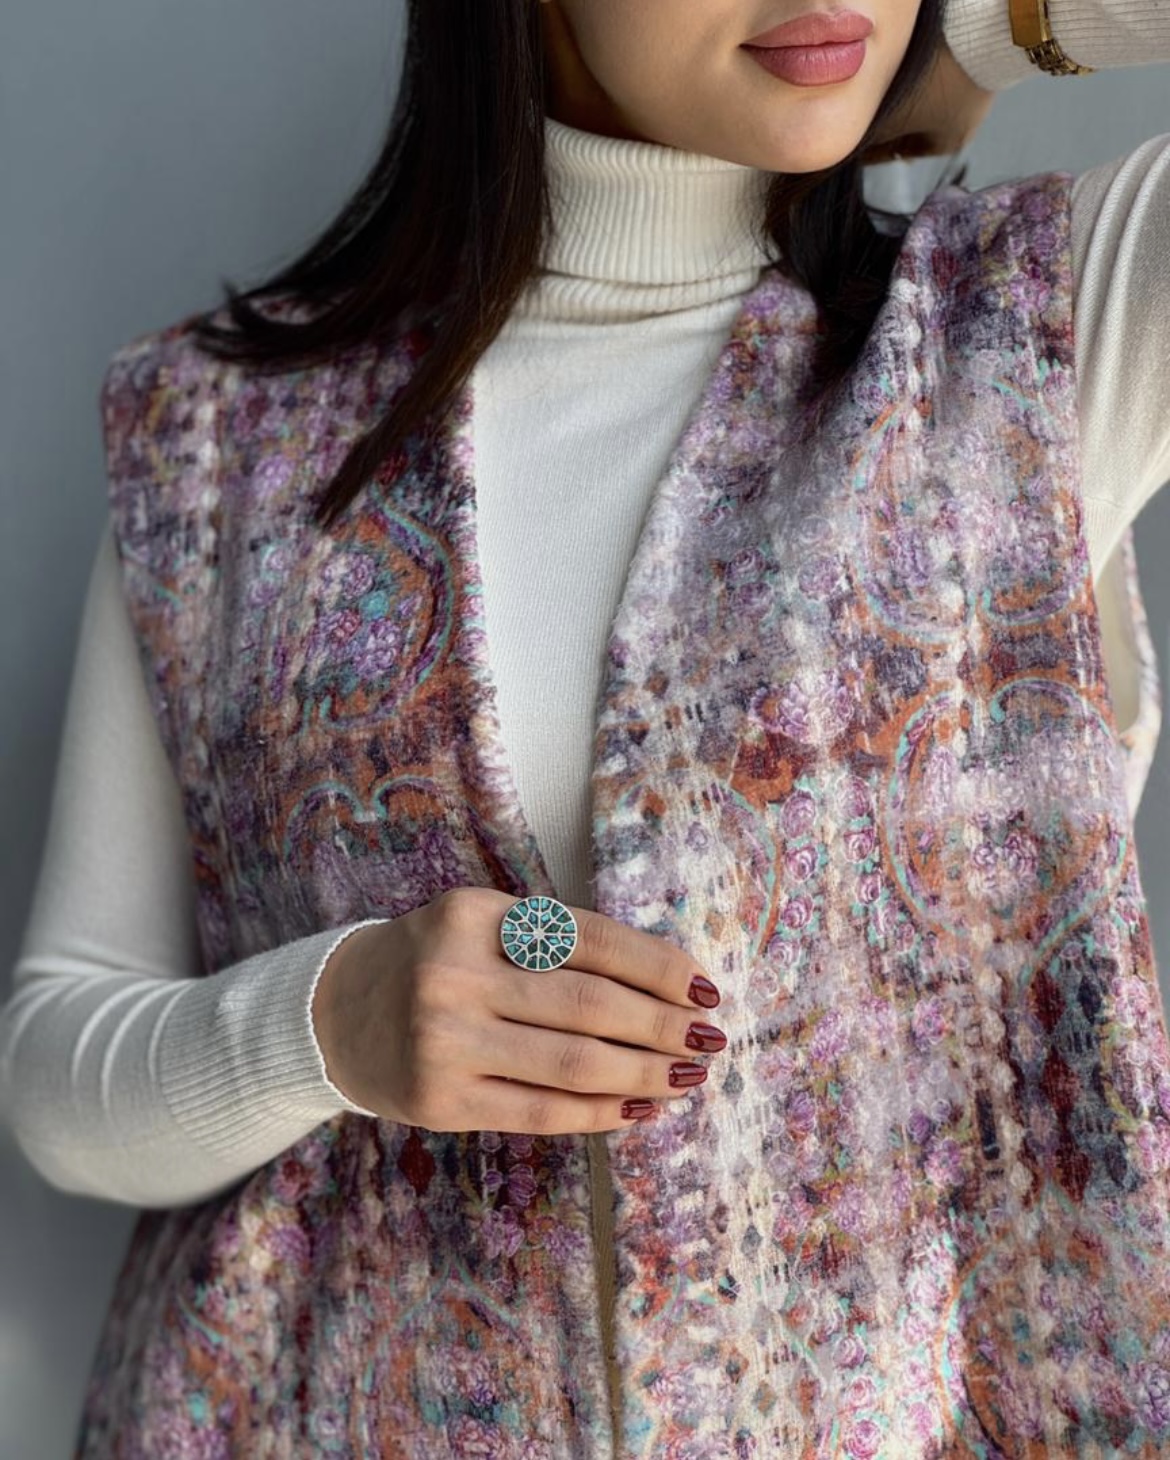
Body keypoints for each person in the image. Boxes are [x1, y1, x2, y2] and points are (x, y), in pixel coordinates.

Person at [3, 0, 1170, 1453]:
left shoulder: (1029, 334)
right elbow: (55, 1065)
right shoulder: (220, 438)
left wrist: (988, 31)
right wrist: (330, 1021)